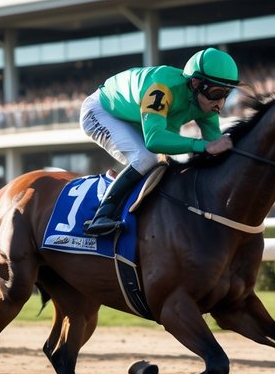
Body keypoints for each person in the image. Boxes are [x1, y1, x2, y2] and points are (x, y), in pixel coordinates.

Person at [79, 47, 238, 236]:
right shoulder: (162, 88)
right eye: (216, 93)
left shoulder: (207, 104)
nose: (220, 103)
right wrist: (204, 146)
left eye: (226, 94)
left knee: (167, 166)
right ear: (195, 83)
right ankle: (102, 213)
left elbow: (214, 147)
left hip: (136, 117)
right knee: (148, 159)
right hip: (101, 111)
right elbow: (154, 140)